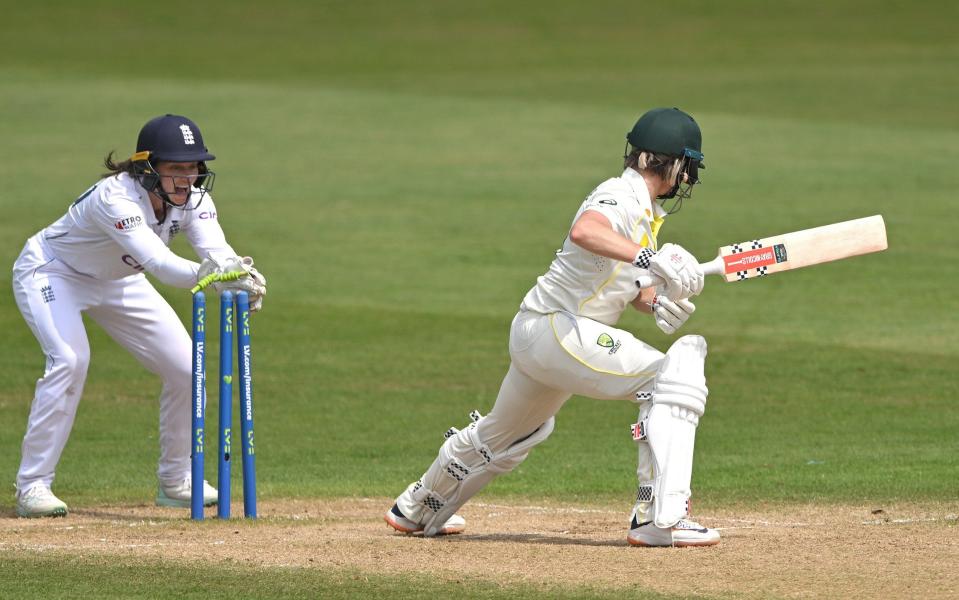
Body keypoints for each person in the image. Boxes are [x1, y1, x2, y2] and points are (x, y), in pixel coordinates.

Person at [384, 107, 719, 547]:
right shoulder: (618, 196)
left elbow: (622, 283)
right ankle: (659, 517)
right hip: (560, 331)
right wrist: (648, 259)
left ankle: (416, 507)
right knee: (674, 376)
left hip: (541, 334)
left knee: (506, 433)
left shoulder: (644, 212)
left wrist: (654, 301)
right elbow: (585, 231)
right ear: (678, 165)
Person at [11, 114, 267, 518]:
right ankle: (33, 485)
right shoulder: (114, 198)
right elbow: (161, 265)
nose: (188, 178)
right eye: (176, 168)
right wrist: (215, 278)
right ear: (147, 169)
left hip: (121, 280)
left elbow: (218, 254)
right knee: (70, 361)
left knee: (187, 367)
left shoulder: (196, 200)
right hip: (55, 272)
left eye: (194, 167)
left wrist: (239, 275)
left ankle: (176, 479)